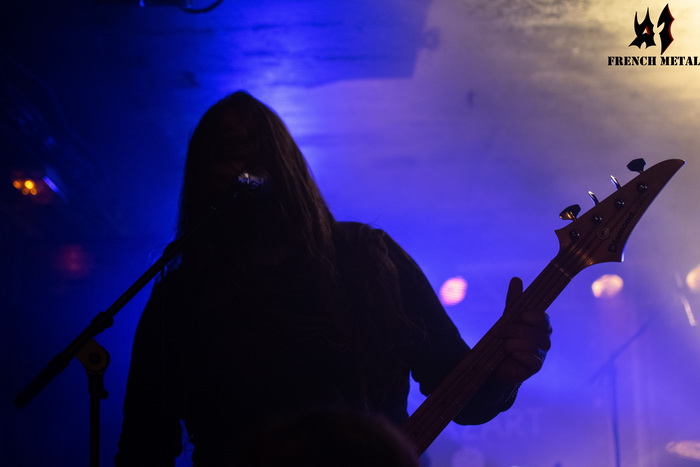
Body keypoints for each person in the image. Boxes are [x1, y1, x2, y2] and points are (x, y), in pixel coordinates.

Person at [114, 91, 552, 466]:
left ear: (285, 164)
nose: (239, 162)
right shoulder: (183, 297)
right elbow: (144, 445)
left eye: (254, 145)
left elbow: (461, 394)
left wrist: (504, 373)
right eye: (224, 150)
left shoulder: (369, 258)